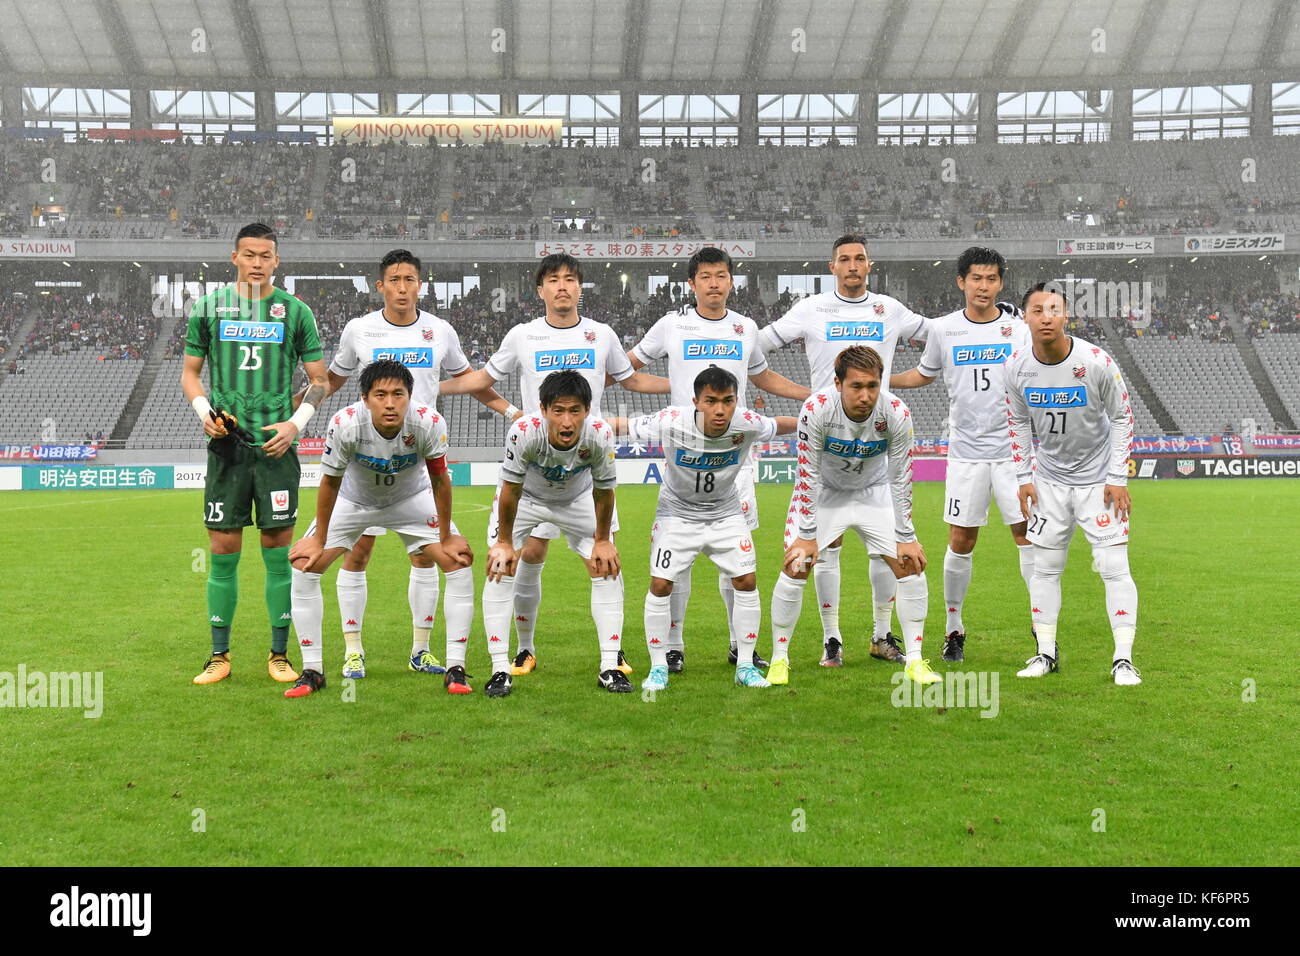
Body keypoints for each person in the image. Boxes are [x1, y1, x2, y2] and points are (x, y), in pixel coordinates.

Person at [438, 253, 668, 677]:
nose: (562, 287)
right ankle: (524, 649)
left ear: (581, 287)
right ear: (540, 290)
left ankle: (611, 653)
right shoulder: (523, 336)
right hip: (534, 468)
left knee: (603, 560)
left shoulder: (601, 335)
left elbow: (630, 379)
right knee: (529, 555)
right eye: (553, 280)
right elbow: (483, 379)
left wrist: (684, 383)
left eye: (570, 280)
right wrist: (429, 388)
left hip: (586, 464)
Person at [302, 249, 508, 679]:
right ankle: (353, 651)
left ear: (420, 284)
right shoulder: (360, 329)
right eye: (393, 279)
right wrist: (296, 411)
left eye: (409, 279)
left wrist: (510, 411)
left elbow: (471, 379)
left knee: (425, 560)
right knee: (357, 556)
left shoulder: (440, 330)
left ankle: (421, 650)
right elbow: (334, 379)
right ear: (380, 285)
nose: (401, 287)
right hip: (367, 460)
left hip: (417, 456)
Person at [625, 246, 809, 672]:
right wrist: (673, 392)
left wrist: (807, 394)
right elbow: (627, 370)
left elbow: (762, 376)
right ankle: (674, 644)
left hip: (735, 459)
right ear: (692, 284)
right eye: (705, 276)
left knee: (737, 561)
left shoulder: (745, 328)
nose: (714, 283)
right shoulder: (672, 325)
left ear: (731, 281)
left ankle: (737, 644)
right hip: (683, 458)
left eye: (721, 275)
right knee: (678, 560)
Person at [760, 234, 932, 666]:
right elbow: (754, 347)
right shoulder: (810, 310)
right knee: (809, 559)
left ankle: (890, 642)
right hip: (827, 472)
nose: (852, 265)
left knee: (898, 559)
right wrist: (804, 392)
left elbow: (942, 336)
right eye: (844, 259)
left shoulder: (890, 311)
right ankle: (828, 640)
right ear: (831, 266)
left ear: (869, 265)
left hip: (872, 477)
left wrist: (915, 377)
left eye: (859, 259)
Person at [181, 222, 329, 686]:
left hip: (275, 448)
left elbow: (320, 380)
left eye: (266, 255)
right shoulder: (207, 309)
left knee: (277, 550)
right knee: (222, 550)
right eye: (249, 254)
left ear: (277, 260)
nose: (258, 262)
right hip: (227, 447)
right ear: (235, 257)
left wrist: (295, 425)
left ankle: (279, 654)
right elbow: (189, 373)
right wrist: (204, 410)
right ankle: (219, 656)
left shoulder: (295, 311)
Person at [284, 360, 474, 697]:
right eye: (380, 394)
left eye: (398, 394)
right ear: (365, 397)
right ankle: (312, 670)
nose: (390, 403)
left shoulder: (429, 422)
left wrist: (446, 536)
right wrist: (320, 540)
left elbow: (440, 480)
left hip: (411, 499)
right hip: (354, 500)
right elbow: (329, 482)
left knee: (458, 563)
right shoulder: (345, 423)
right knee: (304, 567)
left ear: (410, 396)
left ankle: (456, 668)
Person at [610, 367, 797, 691]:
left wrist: (815, 421)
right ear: (696, 400)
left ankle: (745, 665)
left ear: (736, 401)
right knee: (660, 584)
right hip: (676, 515)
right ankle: (658, 667)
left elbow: (778, 425)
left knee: (746, 580)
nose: (720, 409)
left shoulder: (746, 423)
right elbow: (622, 425)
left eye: (728, 401)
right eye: (711, 401)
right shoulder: (671, 420)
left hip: (725, 513)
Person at [890, 247, 1032, 662]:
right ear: (961, 282)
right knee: (961, 539)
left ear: (1000, 283)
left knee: (1027, 537)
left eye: (991, 279)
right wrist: (882, 380)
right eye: (976, 279)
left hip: (1014, 455)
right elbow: (923, 374)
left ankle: (1044, 632)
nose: (983, 286)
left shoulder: (1018, 330)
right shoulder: (944, 330)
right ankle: (954, 630)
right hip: (966, 455)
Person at [769, 345, 940, 687]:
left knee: (910, 566)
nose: (865, 395)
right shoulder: (816, 410)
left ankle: (916, 661)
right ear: (838, 384)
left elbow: (902, 475)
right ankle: (780, 658)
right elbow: (807, 474)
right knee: (797, 565)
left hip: (873, 493)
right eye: (856, 386)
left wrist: (906, 536)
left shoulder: (896, 412)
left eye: (872, 386)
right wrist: (807, 533)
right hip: (826, 493)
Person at [1005, 284, 1141, 685]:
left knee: (1114, 568)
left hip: (1098, 481)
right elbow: (1015, 422)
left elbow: (1122, 417)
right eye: (1037, 310)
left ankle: (1123, 659)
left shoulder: (1095, 361)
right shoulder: (1016, 368)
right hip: (1049, 481)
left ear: (1066, 316)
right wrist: (1024, 476)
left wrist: (1117, 478)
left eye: (1054, 309)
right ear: (1025, 318)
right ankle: (1045, 653)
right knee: (1044, 569)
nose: (1045, 317)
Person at [479, 371, 626, 698]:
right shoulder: (523, 432)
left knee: (607, 568)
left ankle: (609, 666)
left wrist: (602, 540)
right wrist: (503, 543)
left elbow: (604, 493)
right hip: (528, 500)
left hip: (578, 500)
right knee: (500, 570)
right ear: (543, 410)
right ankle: (500, 668)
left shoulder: (599, 435)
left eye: (575, 410)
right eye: (558, 411)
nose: (566, 420)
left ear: (587, 410)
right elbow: (510, 491)